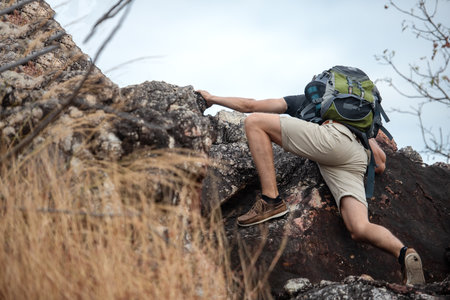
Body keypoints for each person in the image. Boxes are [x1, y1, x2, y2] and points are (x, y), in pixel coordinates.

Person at [196, 90, 425, 285]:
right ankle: (404, 252)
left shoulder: (305, 100)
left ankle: (271, 200)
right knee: (359, 227)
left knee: (255, 122)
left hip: (331, 142)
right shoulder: (358, 121)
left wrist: (212, 98)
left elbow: (250, 106)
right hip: (355, 158)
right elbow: (380, 163)